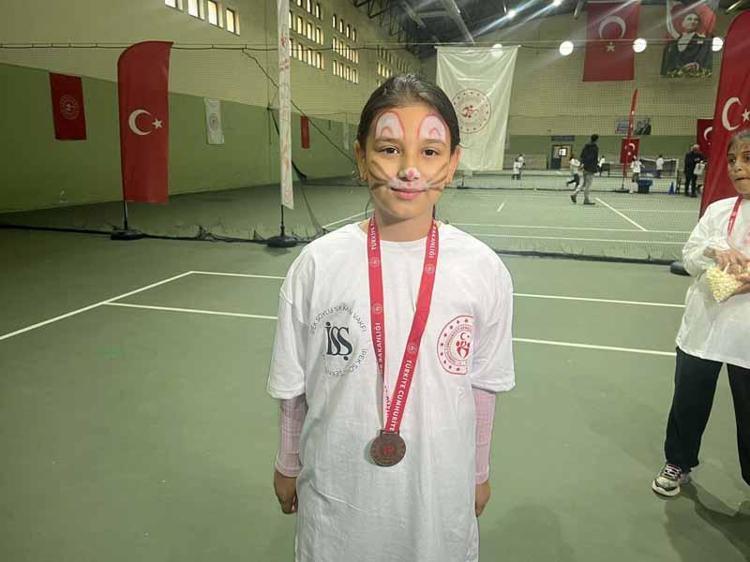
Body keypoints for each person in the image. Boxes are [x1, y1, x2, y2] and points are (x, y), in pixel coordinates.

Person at [268, 74, 515, 561]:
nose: (409, 170)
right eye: (388, 149)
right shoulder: (317, 265)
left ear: (453, 163)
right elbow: (293, 388)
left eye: (429, 151)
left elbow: (484, 386)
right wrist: (288, 461)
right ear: (361, 158)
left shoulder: (483, 269)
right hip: (338, 496)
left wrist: (478, 472)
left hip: (438, 497)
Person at [651, 129, 750, 498]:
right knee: (688, 400)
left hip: (746, 336)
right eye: (732, 160)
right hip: (704, 328)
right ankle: (678, 461)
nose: (737, 167)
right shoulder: (717, 211)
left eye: (747, 159)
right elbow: (690, 257)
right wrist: (713, 250)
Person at [661, 9, 713, 77]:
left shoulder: (704, 42)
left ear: (698, 24)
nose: (693, 22)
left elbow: (705, 62)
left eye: (696, 20)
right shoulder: (671, 45)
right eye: (689, 19)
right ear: (682, 23)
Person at [571, 134, 598, 205]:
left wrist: (581, 164)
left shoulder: (586, 146)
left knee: (583, 183)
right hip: (591, 168)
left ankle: (574, 194)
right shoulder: (595, 148)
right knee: (588, 185)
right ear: (596, 140)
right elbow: (592, 158)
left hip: (585, 168)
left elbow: (582, 156)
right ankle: (586, 199)